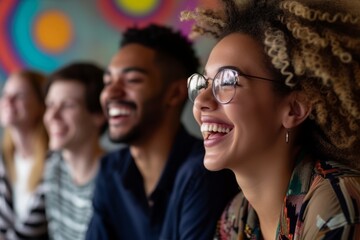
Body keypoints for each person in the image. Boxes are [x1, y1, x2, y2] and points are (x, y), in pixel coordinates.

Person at [181, 0, 360, 239]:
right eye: (203, 83)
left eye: (227, 81)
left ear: (294, 110)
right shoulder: (236, 216)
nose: (201, 99)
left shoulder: (337, 202)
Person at [86, 24, 238, 240]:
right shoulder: (110, 170)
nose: (110, 93)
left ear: (175, 93)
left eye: (132, 80)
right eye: (107, 82)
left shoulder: (203, 174)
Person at [43, 62, 106, 240]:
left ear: (99, 115)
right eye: (50, 104)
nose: (52, 115)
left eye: (68, 105)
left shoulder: (114, 181)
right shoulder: (53, 166)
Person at [0, 70, 49, 239]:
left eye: (19, 96)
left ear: (42, 105)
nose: (8, 100)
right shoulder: (3, 160)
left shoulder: (54, 163)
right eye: (5, 94)